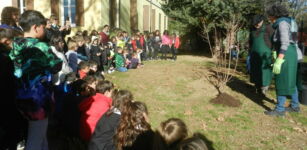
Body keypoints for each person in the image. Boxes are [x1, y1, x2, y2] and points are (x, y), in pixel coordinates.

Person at [9, 10, 62, 150]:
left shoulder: (15, 45)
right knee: (36, 139)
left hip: (21, 96)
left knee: (40, 136)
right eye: (43, 27)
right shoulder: (40, 46)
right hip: (38, 99)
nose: (45, 30)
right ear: (36, 27)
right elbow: (56, 65)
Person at [265, 4, 300, 116]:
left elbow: (285, 42)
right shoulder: (289, 21)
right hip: (291, 53)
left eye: (269, 15)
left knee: (281, 80)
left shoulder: (282, 23)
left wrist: (279, 60)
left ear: (274, 15)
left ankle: (280, 109)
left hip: (286, 54)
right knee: (291, 80)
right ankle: (295, 106)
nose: (268, 18)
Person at [0, 28, 26, 150]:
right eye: (12, 43)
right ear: (5, 41)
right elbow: (9, 82)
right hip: (7, 103)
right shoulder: (5, 59)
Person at [249, 15, 274, 95]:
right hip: (254, 55)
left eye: (257, 23)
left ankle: (264, 88)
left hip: (265, 55)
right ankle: (257, 87)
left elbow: (274, 40)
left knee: (265, 73)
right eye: (254, 24)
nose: (256, 25)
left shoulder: (268, 28)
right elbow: (250, 41)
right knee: (255, 71)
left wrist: (273, 51)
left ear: (262, 21)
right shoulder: (252, 29)